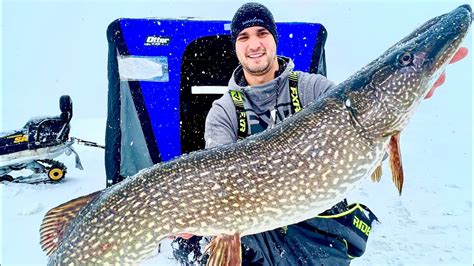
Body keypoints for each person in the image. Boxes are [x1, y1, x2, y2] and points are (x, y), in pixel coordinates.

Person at [171, 2, 468, 265]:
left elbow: (366, 113)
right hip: (253, 228)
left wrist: (415, 90)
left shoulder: (313, 88)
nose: (254, 44)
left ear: (274, 39)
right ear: (235, 47)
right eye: (244, 37)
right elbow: (214, 176)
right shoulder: (223, 111)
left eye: (262, 33)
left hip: (313, 227)